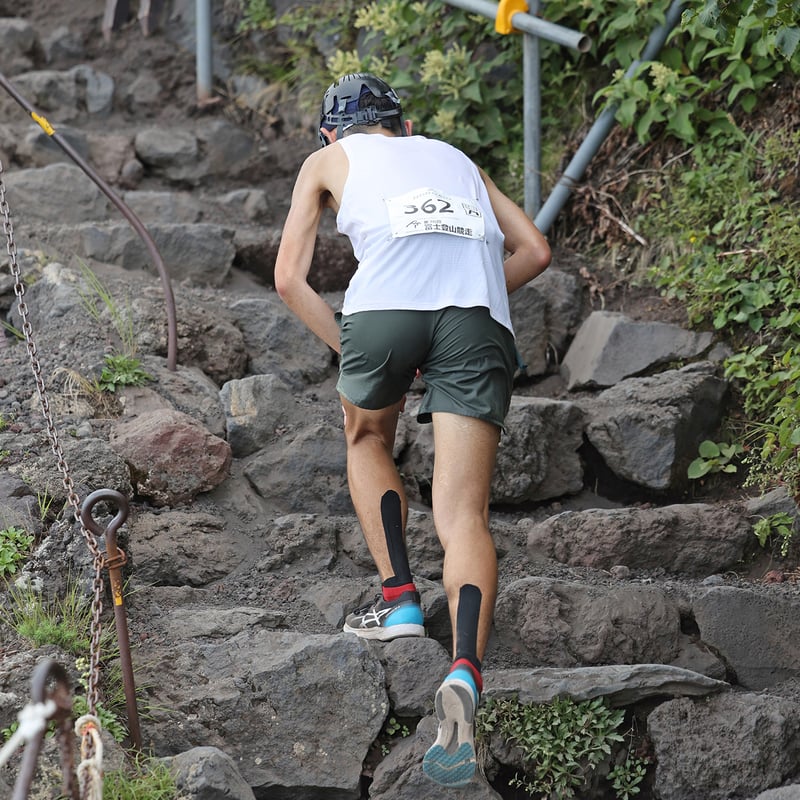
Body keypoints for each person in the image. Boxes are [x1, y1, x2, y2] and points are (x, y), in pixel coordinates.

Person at [274, 72, 551, 787]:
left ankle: (399, 603)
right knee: (465, 514)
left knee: (366, 438)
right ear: (398, 126)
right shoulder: (457, 158)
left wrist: (350, 346)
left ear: (334, 134)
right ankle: (464, 669)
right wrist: (463, 306)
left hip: (384, 311)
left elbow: (288, 280)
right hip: (478, 316)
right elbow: (536, 252)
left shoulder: (327, 160)